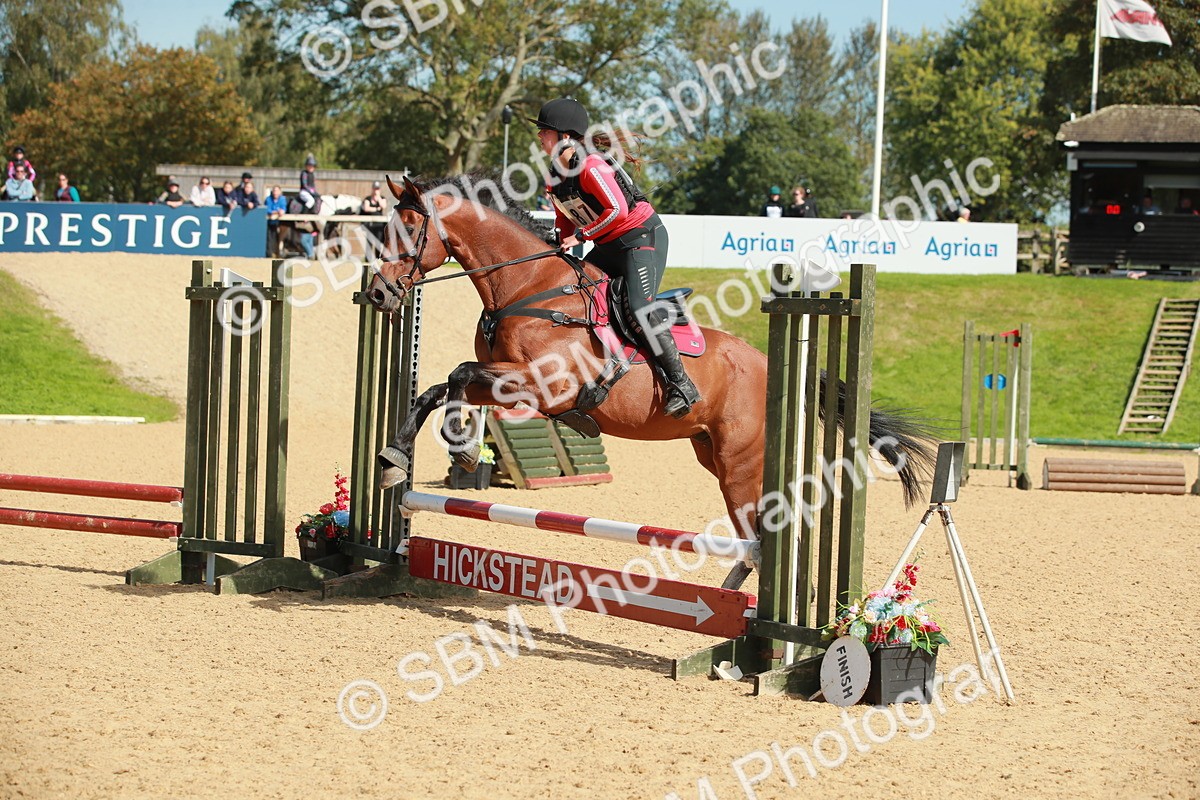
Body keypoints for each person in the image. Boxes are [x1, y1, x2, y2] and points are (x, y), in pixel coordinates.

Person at [532, 96, 700, 418]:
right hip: (609, 243)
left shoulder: (591, 166)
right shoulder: (554, 175)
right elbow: (565, 218)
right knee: (579, 291)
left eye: (545, 130)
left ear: (565, 136)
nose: (540, 136)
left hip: (640, 238)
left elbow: (618, 211)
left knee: (638, 308)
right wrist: (559, 241)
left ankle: (682, 384)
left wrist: (580, 237)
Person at [360, 180, 387, 245]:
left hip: (379, 225)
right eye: (375, 188)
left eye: (377, 189)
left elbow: (383, 206)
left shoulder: (382, 198)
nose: (376, 190)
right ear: (372, 189)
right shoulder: (368, 198)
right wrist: (377, 208)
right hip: (369, 224)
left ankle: (378, 255)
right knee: (369, 244)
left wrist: (378, 198)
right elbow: (366, 208)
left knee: (379, 242)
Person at [265, 185, 288, 256]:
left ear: (280, 192)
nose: (275, 193)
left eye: (277, 191)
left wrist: (282, 211)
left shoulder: (282, 199)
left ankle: (279, 252)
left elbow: (283, 208)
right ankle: (270, 254)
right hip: (269, 223)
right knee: (270, 238)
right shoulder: (268, 199)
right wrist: (276, 211)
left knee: (281, 238)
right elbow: (267, 209)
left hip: (281, 223)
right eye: (274, 191)